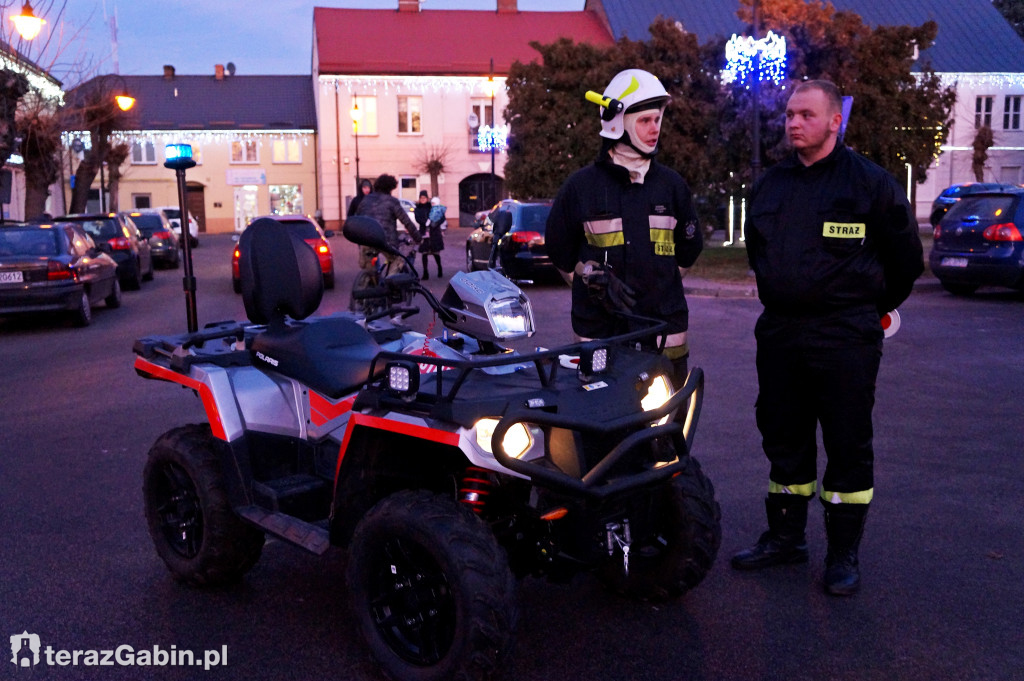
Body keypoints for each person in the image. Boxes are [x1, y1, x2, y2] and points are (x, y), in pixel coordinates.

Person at [731, 80, 924, 596]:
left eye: (806, 115)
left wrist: (863, 309)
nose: (794, 123)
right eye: (790, 114)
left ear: (835, 121)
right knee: (783, 436)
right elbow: (758, 253)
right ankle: (786, 538)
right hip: (781, 334)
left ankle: (843, 554)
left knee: (847, 442)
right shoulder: (770, 185)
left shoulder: (871, 184)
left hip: (846, 336)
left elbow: (906, 263)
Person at [546, 68, 702, 389]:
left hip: (665, 336)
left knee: (668, 434)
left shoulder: (672, 186)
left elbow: (688, 252)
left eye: (658, 120)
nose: (655, 129)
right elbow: (560, 253)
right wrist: (586, 276)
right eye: (645, 120)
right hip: (600, 337)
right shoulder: (581, 188)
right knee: (602, 436)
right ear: (617, 122)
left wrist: (660, 287)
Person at [353, 174, 420, 269]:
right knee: (398, 260)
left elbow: (358, 216)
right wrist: (418, 238)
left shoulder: (366, 199)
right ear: (390, 188)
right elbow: (406, 222)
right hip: (386, 240)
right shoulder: (392, 201)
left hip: (366, 238)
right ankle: (390, 281)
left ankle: (369, 280)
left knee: (368, 268)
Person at [419, 196, 446, 279]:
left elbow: (442, 218)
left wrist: (435, 223)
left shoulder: (438, 210)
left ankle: (439, 268)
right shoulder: (424, 209)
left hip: (434, 234)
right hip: (425, 233)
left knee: (436, 254)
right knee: (424, 253)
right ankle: (425, 272)